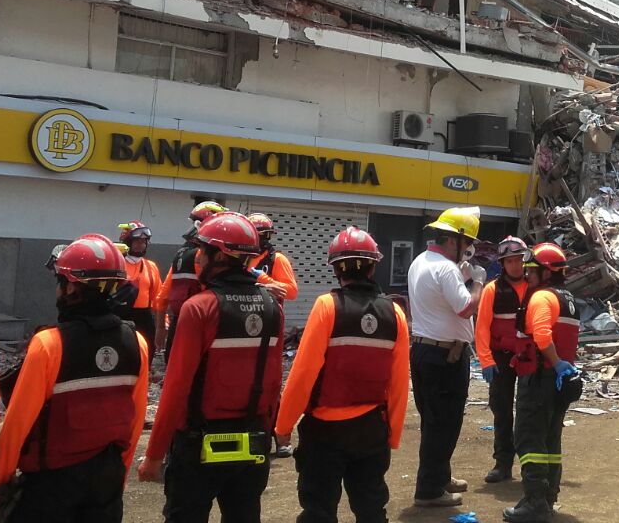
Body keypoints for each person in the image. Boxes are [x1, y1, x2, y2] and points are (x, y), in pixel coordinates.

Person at [0, 234, 150, 523]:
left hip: (51, 484)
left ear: (72, 286)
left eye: (60, 281)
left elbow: (17, 424)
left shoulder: (49, 344)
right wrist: (118, 477)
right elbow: (134, 423)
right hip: (107, 482)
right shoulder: (137, 343)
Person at [138, 211, 284, 523]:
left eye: (203, 251)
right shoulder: (272, 306)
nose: (198, 258)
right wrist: (267, 432)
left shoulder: (199, 307)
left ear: (219, 256)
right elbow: (273, 385)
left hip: (197, 443)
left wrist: (154, 455)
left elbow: (176, 388)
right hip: (253, 439)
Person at [275, 226, 410, 523]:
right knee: (371, 511)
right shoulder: (395, 314)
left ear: (336, 269)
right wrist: (393, 434)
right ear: (373, 267)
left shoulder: (327, 306)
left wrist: (283, 424)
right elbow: (399, 382)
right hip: (372, 430)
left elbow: (303, 372)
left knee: (319, 511)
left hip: (325, 432)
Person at [407, 207, 483, 507]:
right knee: (444, 423)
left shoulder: (421, 261)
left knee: (433, 420)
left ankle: (440, 476)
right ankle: (429, 490)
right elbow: (465, 308)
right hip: (445, 356)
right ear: (453, 241)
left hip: (426, 351)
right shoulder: (446, 269)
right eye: (468, 243)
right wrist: (478, 282)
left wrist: (460, 276)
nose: (469, 249)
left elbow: (439, 300)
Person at [504, 243, 582, 523]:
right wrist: (561, 365)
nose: (527, 274)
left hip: (539, 378)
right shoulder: (569, 301)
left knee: (529, 439)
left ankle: (535, 502)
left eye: (532, 269)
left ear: (546, 272)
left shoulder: (542, 298)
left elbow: (542, 336)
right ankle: (548, 498)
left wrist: (555, 362)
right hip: (560, 383)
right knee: (550, 439)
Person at [475, 236, 530, 484]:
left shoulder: (534, 287)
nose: (515, 265)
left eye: (518, 260)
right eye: (510, 261)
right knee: (502, 410)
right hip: (501, 357)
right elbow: (482, 327)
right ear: (503, 263)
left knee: (529, 411)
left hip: (528, 356)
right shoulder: (492, 290)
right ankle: (503, 464)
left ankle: (530, 464)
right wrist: (486, 361)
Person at [154, 201, 226, 360]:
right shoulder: (203, 255)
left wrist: (160, 329)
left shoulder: (180, 253)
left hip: (177, 325)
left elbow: (162, 296)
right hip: (200, 327)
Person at [116, 220, 162, 359]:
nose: (141, 244)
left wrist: (163, 323)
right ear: (127, 242)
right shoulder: (117, 264)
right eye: (137, 241)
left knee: (146, 356)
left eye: (144, 242)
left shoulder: (151, 266)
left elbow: (158, 298)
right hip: (121, 317)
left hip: (144, 319)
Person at [247, 214, 299, 303]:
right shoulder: (242, 257)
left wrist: (263, 278)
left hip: (269, 309)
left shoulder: (277, 258)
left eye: (266, 235)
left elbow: (292, 292)